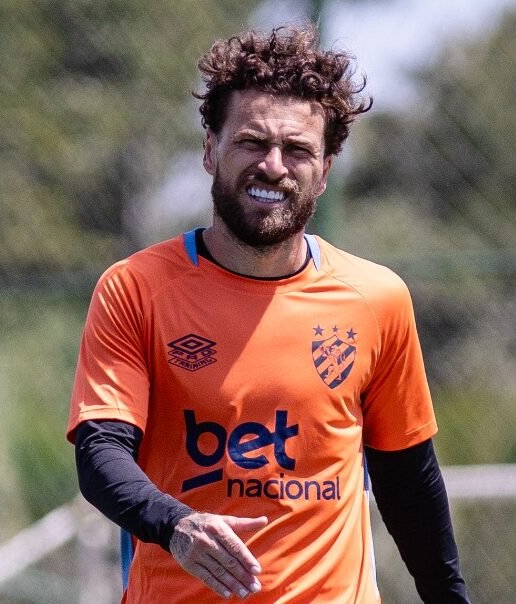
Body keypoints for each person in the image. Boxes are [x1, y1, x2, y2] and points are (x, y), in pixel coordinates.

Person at [67, 24, 469, 603]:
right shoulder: (136, 289)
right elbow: (102, 452)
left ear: (326, 169)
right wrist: (177, 525)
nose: (273, 166)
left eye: (298, 149)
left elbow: (408, 479)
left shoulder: (376, 298)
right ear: (210, 150)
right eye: (253, 142)